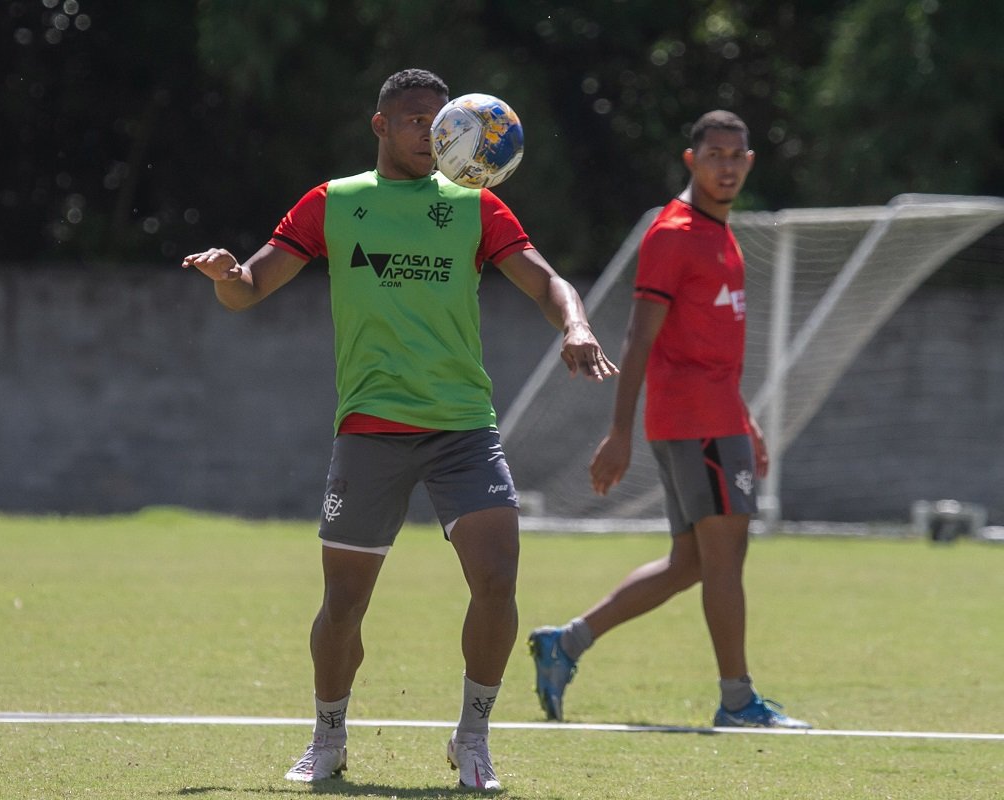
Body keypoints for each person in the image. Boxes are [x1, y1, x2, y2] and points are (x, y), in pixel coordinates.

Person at [183, 68, 616, 791]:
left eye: (439, 121)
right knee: (344, 605)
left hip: (462, 427)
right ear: (380, 125)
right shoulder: (334, 202)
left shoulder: (475, 203)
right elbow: (251, 288)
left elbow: (546, 280)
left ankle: (472, 739)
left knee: (497, 579)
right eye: (415, 120)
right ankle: (327, 738)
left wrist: (575, 323)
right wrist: (228, 275)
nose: (431, 132)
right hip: (369, 430)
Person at [528, 110, 809, 729]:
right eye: (714, 156)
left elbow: (709, 345)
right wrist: (619, 431)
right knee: (725, 559)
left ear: (750, 161)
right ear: (691, 160)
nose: (726, 167)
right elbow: (638, 338)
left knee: (691, 563)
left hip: (717, 418)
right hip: (696, 423)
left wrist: (746, 420)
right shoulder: (675, 233)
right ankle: (737, 701)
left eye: (736, 156)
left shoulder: (720, 232)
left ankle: (565, 643)